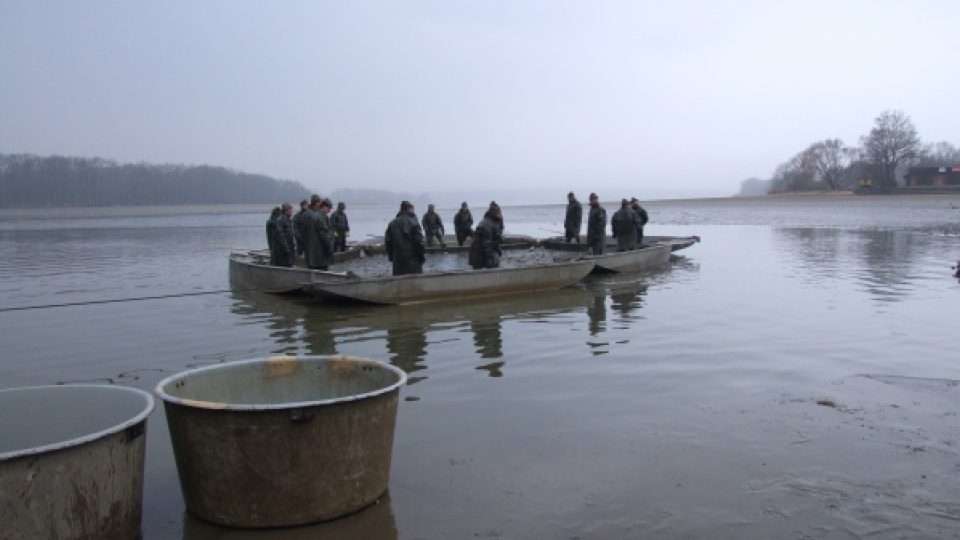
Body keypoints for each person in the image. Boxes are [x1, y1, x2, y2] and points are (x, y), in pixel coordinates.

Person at [385, 200, 426, 275]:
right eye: (412, 209)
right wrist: (421, 256)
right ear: (408, 209)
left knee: (399, 281)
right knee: (416, 281)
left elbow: (388, 242)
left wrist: (391, 257)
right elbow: (419, 241)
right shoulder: (413, 221)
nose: (413, 211)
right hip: (413, 258)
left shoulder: (392, 223)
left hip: (397, 259)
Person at [303, 195, 334, 270]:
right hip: (320, 254)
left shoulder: (305, 214)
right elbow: (325, 236)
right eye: (329, 208)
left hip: (309, 254)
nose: (329, 211)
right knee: (322, 274)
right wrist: (330, 249)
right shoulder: (319, 217)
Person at [470, 202, 504, 269]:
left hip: (482, 252)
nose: (501, 214)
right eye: (499, 212)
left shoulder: (493, 221)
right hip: (479, 254)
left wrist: (498, 249)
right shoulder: (487, 224)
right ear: (495, 213)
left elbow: (497, 236)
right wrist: (490, 257)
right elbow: (487, 244)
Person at [274, 202, 296, 267]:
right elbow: (281, 236)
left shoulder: (289, 220)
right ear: (286, 210)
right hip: (284, 251)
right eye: (290, 210)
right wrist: (286, 249)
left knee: (290, 264)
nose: (292, 211)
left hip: (289, 248)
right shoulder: (281, 220)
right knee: (285, 265)